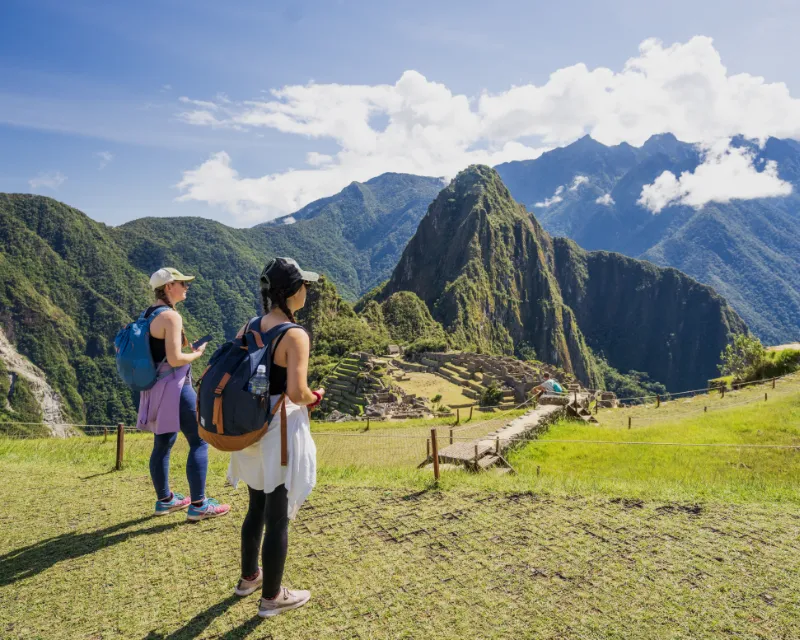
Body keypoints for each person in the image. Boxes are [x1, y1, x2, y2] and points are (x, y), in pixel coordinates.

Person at [227, 257, 325, 618]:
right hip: (278, 433)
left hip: (248, 428)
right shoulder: (294, 334)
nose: (308, 292)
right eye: (305, 286)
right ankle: (272, 598)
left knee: (256, 506)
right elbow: (298, 392)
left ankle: (249, 578)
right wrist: (316, 396)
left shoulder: (250, 325)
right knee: (278, 516)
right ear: (291, 292)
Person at [136, 267, 230, 521]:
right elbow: (176, 359)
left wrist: (188, 347)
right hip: (174, 387)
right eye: (182, 283)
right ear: (169, 287)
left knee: (163, 443)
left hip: (154, 387)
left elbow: (163, 351)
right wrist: (197, 354)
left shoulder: (148, 314)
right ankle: (199, 504)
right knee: (199, 440)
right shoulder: (171, 317)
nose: (186, 287)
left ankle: (165, 500)